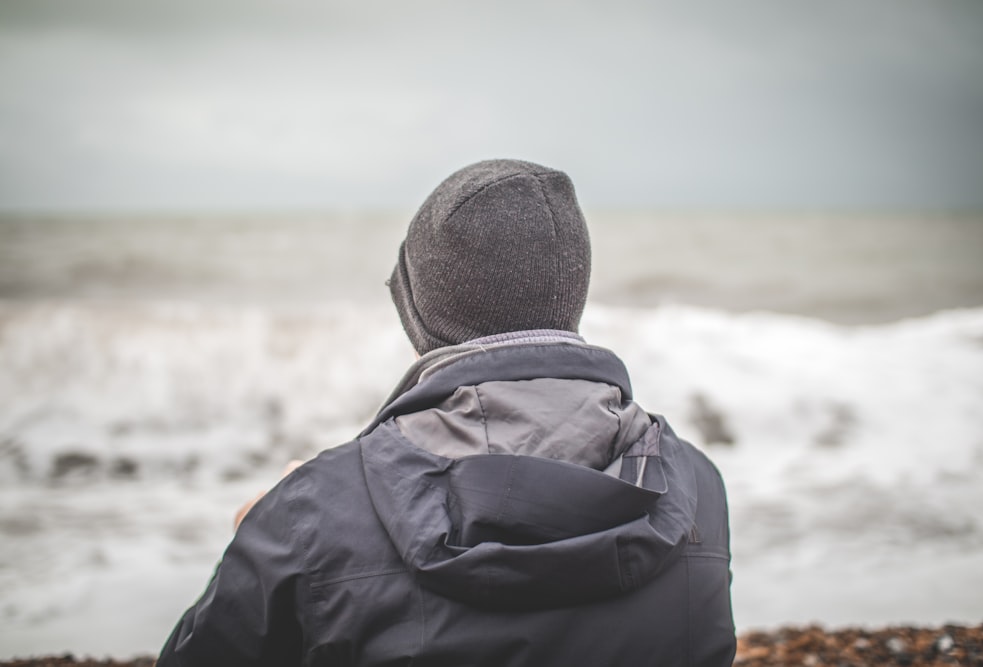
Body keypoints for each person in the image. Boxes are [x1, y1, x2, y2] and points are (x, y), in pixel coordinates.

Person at [157, 159, 736, 666]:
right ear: (571, 292)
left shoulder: (310, 512)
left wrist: (264, 534)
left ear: (420, 312)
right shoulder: (696, 487)